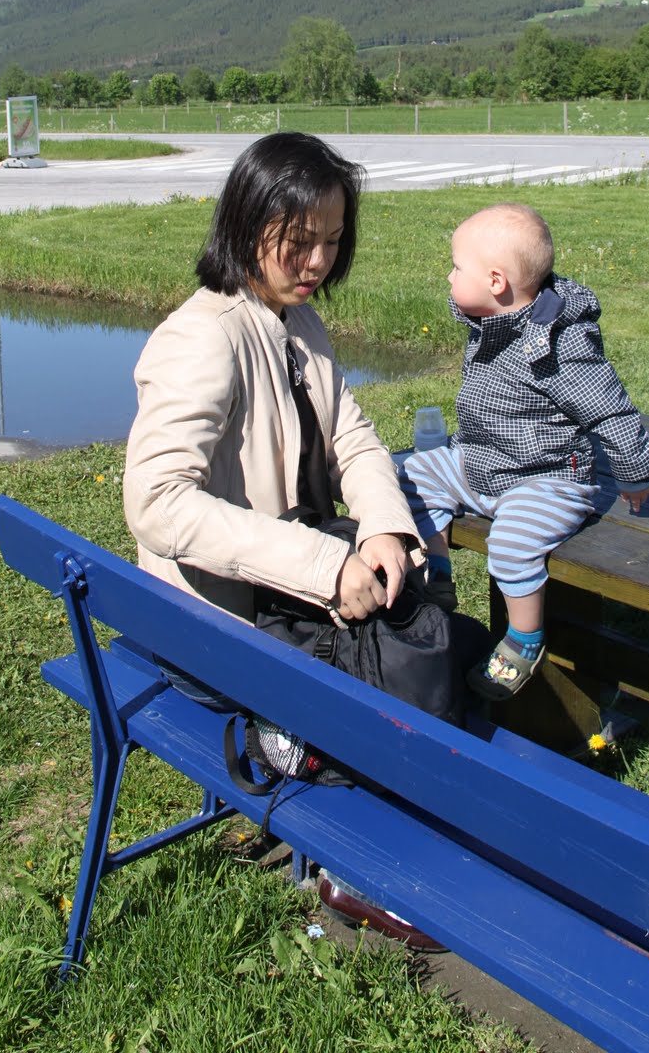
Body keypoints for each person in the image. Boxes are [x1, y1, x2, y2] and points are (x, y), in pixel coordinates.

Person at [123, 131, 439, 946]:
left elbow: (352, 439)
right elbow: (156, 502)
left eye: (331, 241)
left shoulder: (296, 321)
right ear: (244, 225)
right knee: (399, 675)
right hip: (216, 627)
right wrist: (325, 565)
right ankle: (359, 865)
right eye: (298, 241)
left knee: (419, 627)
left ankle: (385, 812)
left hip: (275, 595)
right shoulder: (204, 337)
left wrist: (383, 527)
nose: (317, 262)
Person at [399, 203, 649, 700]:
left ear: (496, 282)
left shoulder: (560, 344)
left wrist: (635, 471)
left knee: (511, 544)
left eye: (456, 267)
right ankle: (438, 570)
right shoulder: (493, 317)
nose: (449, 276)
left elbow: (610, 409)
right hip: (482, 462)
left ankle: (524, 637)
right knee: (411, 474)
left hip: (547, 479)